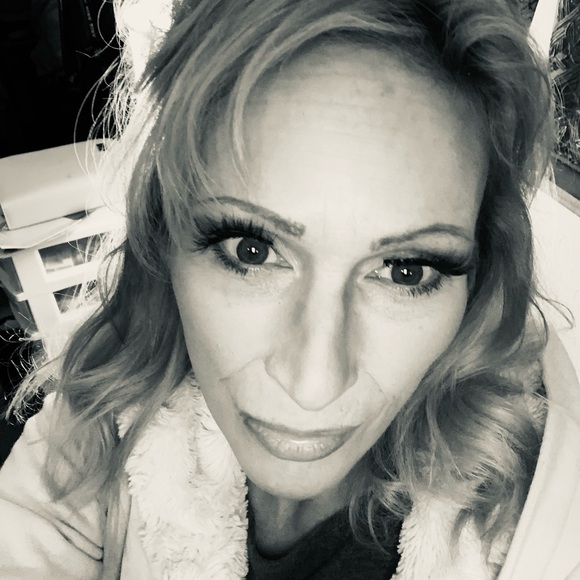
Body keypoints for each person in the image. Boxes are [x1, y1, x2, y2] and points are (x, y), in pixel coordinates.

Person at [1, 0, 579, 578]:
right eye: (251, 251)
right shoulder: (97, 421)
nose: (313, 384)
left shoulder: (545, 524)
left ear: (479, 277)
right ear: (164, 235)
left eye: (406, 270)